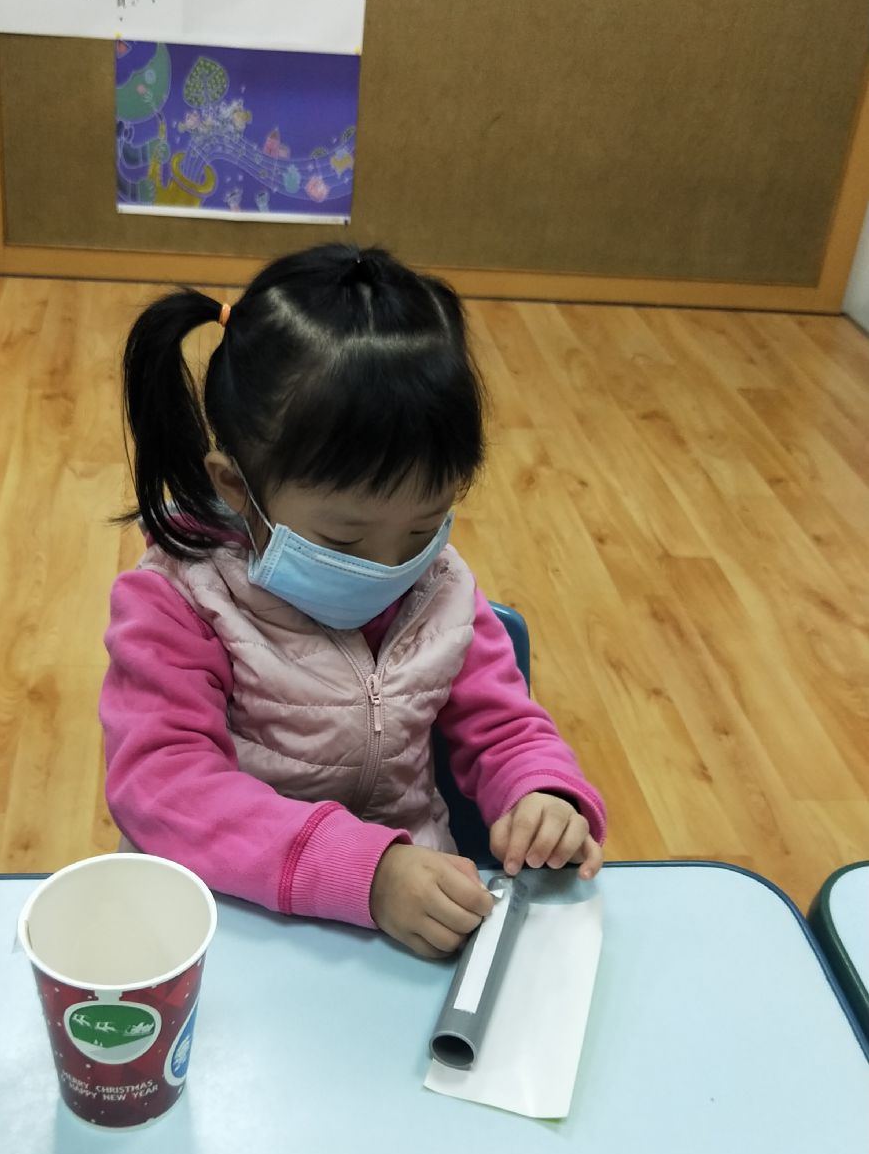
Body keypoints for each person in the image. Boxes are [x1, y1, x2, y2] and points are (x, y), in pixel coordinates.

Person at [100, 245, 606, 960]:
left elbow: (504, 729)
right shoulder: (181, 599)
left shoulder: (440, 589)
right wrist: (365, 872)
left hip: (412, 920)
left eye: (424, 527)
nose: (390, 566)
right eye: (344, 537)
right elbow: (163, 785)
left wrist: (544, 794)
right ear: (237, 485)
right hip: (232, 915)